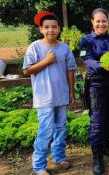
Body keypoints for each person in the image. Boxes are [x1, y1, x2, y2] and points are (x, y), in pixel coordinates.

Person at [23, 11, 76, 175]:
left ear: (59, 28)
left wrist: (71, 92)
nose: (50, 30)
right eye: (46, 27)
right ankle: (39, 166)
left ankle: (59, 157)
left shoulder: (64, 47)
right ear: (40, 29)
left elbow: (70, 70)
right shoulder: (35, 47)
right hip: (44, 97)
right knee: (45, 130)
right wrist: (46, 61)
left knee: (61, 128)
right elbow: (26, 70)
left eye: (54, 27)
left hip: (61, 95)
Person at [79, 8, 109, 175]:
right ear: (92, 22)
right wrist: (104, 66)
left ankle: (105, 146)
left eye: (104, 21)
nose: (101, 24)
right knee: (97, 120)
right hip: (95, 85)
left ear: (108, 22)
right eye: (98, 21)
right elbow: (87, 60)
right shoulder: (85, 41)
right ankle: (97, 157)